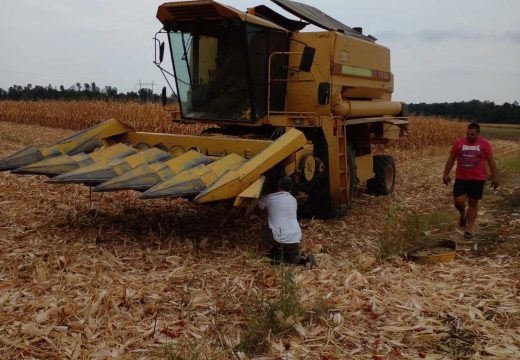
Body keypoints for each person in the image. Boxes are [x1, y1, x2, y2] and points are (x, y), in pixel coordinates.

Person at [443, 122, 498, 239]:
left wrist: (495, 177)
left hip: (478, 179)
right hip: (461, 178)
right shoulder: (459, 143)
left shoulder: (485, 144)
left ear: (478, 133)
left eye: (472, 135)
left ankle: (469, 227)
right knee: (458, 201)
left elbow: (491, 161)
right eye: (468, 134)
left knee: (473, 203)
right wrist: (446, 173)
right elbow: (451, 159)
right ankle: (463, 214)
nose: (469, 136)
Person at [258, 176, 316, 267]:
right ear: (291, 188)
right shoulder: (293, 200)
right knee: (292, 258)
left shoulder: (270, 198)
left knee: (263, 230)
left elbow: (259, 205)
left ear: (278, 187)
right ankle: (306, 260)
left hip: (278, 237)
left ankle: (277, 251)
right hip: (295, 237)